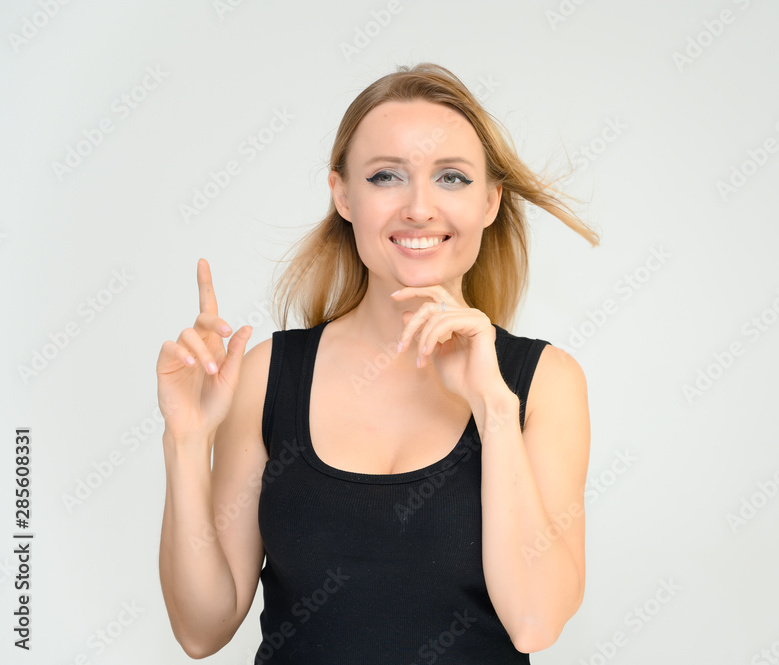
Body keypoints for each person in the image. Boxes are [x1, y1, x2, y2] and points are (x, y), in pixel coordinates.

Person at [156, 62, 599, 663]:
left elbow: (535, 624)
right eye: (387, 176)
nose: (419, 208)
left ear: (491, 202)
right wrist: (185, 441)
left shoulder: (542, 384)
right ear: (342, 194)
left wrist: (493, 408)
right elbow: (201, 630)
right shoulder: (269, 375)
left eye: (452, 178)